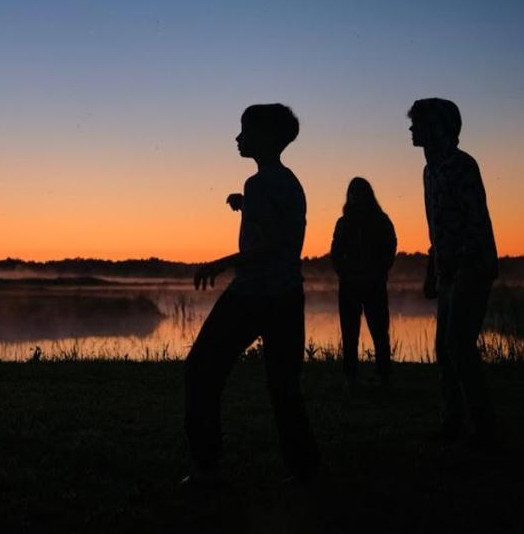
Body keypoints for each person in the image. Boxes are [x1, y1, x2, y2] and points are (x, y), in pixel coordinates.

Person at [183, 104, 319, 487]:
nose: (238, 138)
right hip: (288, 295)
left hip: (254, 293)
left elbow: (271, 244)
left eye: (246, 131)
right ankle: (305, 468)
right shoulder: (285, 182)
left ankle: (206, 462)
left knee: (202, 370)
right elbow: (282, 226)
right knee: (283, 385)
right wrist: (245, 206)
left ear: (270, 138)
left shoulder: (259, 184)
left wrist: (219, 263)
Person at [408, 98, 498, 450]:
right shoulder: (430, 171)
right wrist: (433, 271)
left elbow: (474, 224)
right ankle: (452, 423)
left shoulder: (461, 166)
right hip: (448, 271)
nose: (411, 129)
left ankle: (484, 430)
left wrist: (462, 272)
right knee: (445, 351)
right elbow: (437, 229)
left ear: (437, 127)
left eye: (417, 123)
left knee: (458, 347)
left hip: (471, 269)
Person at [330, 177, 397, 385]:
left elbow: (390, 246)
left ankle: (383, 374)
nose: (357, 195)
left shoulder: (381, 220)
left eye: (361, 191)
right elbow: (335, 252)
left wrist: (379, 271)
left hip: (374, 284)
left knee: (379, 332)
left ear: (368, 194)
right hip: (349, 285)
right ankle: (350, 375)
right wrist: (344, 273)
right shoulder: (343, 223)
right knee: (350, 334)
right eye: (354, 191)